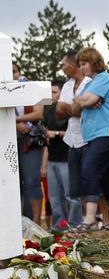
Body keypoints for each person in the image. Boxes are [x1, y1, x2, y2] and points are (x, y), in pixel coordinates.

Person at [72, 47, 109, 231]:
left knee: (90, 168)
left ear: (95, 62)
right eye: (80, 65)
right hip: (98, 133)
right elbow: (80, 101)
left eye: (84, 63)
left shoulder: (104, 78)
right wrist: (82, 99)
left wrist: (83, 100)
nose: (82, 68)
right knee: (107, 174)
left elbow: (85, 101)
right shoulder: (92, 83)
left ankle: (89, 219)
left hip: (107, 131)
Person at [56, 50, 89, 229]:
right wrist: (75, 107)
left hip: (88, 137)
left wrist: (75, 108)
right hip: (71, 139)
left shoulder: (90, 82)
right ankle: (76, 223)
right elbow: (59, 110)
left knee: (90, 179)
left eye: (64, 64)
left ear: (73, 64)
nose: (62, 68)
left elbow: (80, 109)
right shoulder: (67, 85)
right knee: (73, 185)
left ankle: (93, 219)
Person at [13, 63, 45, 224]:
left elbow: (38, 113)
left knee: (32, 180)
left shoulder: (30, 88)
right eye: (9, 71)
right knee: (12, 184)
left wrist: (16, 120)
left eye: (15, 71)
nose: (12, 75)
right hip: (8, 140)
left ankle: (36, 221)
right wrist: (15, 124)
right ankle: (14, 222)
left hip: (29, 141)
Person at [41, 80, 73, 231]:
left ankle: (73, 224)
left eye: (54, 92)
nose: (52, 95)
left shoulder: (69, 109)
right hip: (52, 158)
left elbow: (75, 133)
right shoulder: (48, 112)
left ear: (62, 92)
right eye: (50, 92)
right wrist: (44, 164)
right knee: (53, 196)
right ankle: (59, 225)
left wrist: (57, 133)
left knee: (69, 195)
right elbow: (46, 136)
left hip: (67, 157)